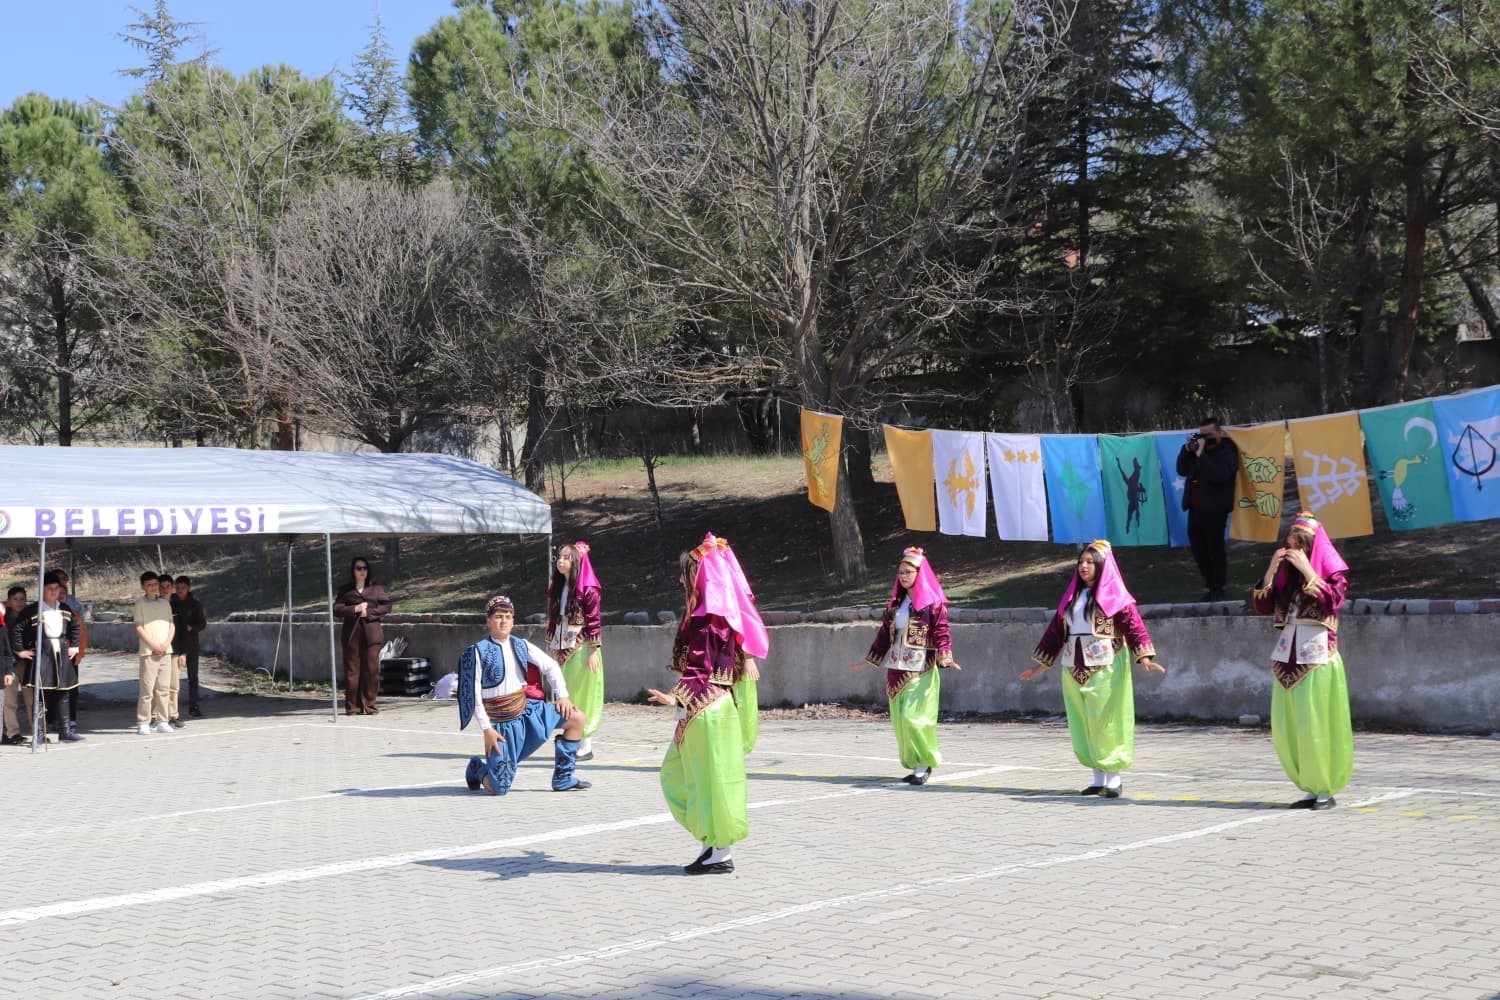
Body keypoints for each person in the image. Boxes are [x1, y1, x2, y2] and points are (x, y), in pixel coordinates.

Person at [647, 533, 767, 875]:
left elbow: (700, 665)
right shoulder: (714, 613)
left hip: (706, 708)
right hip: (712, 708)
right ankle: (712, 844)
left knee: (701, 778)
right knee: (696, 777)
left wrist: (676, 696)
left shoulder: (707, 617)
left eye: (686, 573)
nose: (681, 579)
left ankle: (719, 850)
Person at [1020, 540, 1165, 798]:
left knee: (1106, 720)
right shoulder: (1072, 597)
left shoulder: (1116, 597)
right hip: (1072, 666)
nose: (1084, 567)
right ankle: (1097, 778)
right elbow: (1056, 633)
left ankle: (1113, 778)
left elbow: (1133, 626)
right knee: (1083, 721)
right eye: (1081, 562)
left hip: (1105, 666)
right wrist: (1039, 666)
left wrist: (1143, 657)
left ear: (1101, 566)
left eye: (1089, 562)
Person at [1251, 512, 1353, 811]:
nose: (1291, 551)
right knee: (1291, 727)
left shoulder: (1331, 576)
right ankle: (1308, 786)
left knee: (1316, 724)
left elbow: (1332, 602)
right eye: (1288, 545)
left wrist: (1309, 571)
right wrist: (1271, 571)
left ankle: (1325, 788)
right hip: (1286, 658)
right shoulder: (1286, 579)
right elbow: (1263, 605)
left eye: (1297, 546)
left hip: (1318, 659)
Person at [457, 594, 589, 794]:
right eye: (499, 616)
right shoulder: (477, 652)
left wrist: (562, 695)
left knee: (576, 718)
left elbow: (551, 666)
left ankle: (563, 777)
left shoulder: (521, 645)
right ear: (488, 620)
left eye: (508, 616)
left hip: (528, 712)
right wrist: (487, 729)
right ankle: (477, 768)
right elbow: (473, 696)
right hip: (501, 725)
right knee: (499, 789)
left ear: (513, 621)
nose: (504, 621)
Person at [852, 547, 959, 785]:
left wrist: (945, 655)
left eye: (908, 572)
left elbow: (942, 631)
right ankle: (915, 765)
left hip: (921, 667)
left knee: (914, 718)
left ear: (919, 574)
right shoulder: (896, 603)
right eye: (900, 572)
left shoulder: (933, 604)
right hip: (896, 667)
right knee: (900, 721)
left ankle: (925, 762)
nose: (903, 576)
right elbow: (884, 635)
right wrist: (870, 658)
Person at [546, 541, 604, 761]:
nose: (561, 561)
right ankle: (572, 737)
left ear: (577, 561)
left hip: (580, 647)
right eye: (559, 557)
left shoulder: (588, 590)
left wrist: (592, 651)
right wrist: (551, 646)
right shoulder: (559, 587)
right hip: (561, 646)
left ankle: (585, 744)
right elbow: (553, 619)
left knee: (583, 693)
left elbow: (594, 621)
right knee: (566, 692)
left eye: (566, 557)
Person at [11, 571, 83, 746]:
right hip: (43, 654)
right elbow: (17, 630)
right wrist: (20, 651)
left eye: (56, 588)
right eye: (50, 588)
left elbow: (75, 627)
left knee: (63, 693)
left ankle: (65, 731)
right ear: (42, 590)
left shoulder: (64, 608)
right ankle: (39, 733)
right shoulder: (32, 610)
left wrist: (74, 646)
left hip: (62, 653)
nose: (53, 592)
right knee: (40, 695)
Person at [1175, 416, 1240, 600]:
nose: (1205, 439)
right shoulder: (1197, 451)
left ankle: (1218, 587)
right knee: (1198, 549)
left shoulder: (1227, 451)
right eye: (1201, 435)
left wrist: (1201, 455)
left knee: (1215, 548)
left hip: (1215, 508)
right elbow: (1181, 470)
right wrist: (1187, 451)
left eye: (1209, 435)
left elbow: (1218, 475)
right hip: (1195, 507)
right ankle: (1210, 584)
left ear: (1220, 433)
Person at [333, 557, 391, 715]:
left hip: (372, 634)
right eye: (359, 568)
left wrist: (370, 612)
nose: (362, 571)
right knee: (352, 670)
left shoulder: (376, 588)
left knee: (371, 670)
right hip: (351, 635)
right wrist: (355, 609)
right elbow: (336, 609)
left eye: (364, 568)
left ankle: (370, 705)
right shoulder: (346, 590)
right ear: (353, 570)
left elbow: (386, 606)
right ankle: (353, 707)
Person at [132, 571, 174, 735]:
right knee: (147, 689)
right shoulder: (140, 604)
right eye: (149, 585)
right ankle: (143, 722)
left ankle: (162, 720)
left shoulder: (165, 603)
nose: (153, 587)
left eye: (155, 584)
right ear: (143, 587)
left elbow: (171, 625)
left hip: (165, 651)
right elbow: (138, 627)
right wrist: (153, 645)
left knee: (164, 688)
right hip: (149, 652)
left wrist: (166, 644)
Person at [53, 570, 88, 742]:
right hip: (51, 656)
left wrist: (79, 652)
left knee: (71, 690)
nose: (60, 596)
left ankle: (70, 723)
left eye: (63, 594)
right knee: (52, 690)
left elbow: (80, 631)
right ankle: (52, 720)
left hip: (70, 655)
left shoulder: (72, 611)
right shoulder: (46, 610)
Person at [172, 575, 208, 718]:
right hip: (174, 645)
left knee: (193, 677)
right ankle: (170, 711)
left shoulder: (195, 604)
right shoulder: (170, 603)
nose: (180, 590)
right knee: (171, 679)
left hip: (191, 645)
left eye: (183, 588)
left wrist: (191, 628)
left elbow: (202, 624)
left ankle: (194, 706)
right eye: (178, 588)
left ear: (188, 588)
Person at [154, 572, 186, 729]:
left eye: (168, 586)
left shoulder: (177, 604)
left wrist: (183, 653)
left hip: (174, 652)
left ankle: (173, 715)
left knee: (174, 686)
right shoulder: (153, 604)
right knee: (156, 685)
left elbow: (182, 632)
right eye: (162, 586)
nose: (166, 589)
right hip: (157, 651)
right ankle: (154, 716)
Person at [2, 586, 28, 745]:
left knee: (31, 700)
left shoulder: (29, 616)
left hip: (27, 663)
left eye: (22, 599)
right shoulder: (4, 619)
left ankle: (38, 730)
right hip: (10, 664)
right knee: (10, 701)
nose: (19, 602)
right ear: (9, 601)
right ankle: (13, 733)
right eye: (15, 599)